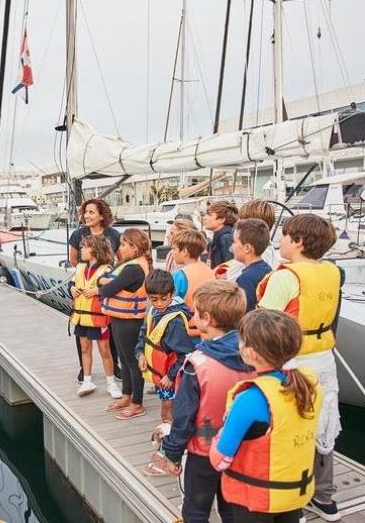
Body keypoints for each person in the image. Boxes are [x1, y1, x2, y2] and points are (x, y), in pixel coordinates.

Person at [256, 214, 343, 521]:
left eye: (284, 236)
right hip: (324, 359)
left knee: (292, 427)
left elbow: (262, 324)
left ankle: (294, 497)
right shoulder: (332, 271)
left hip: (292, 361)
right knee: (323, 424)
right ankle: (325, 496)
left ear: (299, 241)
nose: (280, 241)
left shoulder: (286, 277)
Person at [145, 281, 254, 523]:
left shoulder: (197, 365)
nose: (191, 315)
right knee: (231, 508)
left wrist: (172, 453)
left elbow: (184, 416)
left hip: (203, 451)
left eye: (195, 312)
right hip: (240, 449)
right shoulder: (255, 355)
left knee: (195, 510)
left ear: (206, 318)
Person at [210, 309, 322, 523]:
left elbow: (220, 459)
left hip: (257, 498)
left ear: (252, 353)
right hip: (294, 493)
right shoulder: (309, 383)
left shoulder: (251, 398)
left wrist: (217, 436)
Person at [92, 228, 151, 420]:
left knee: (132, 362)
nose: (121, 247)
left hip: (130, 322)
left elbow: (107, 290)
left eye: (124, 244)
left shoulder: (133, 268)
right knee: (125, 361)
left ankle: (137, 403)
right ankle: (127, 395)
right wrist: (105, 282)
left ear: (134, 247)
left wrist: (102, 281)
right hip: (119, 319)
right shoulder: (130, 265)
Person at [68, 198, 122, 382]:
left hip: (107, 285)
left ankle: (114, 365)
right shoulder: (78, 234)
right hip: (84, 284)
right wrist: (87, 273)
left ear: (102, 215)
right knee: (82, 326)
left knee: (110, 326)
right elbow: (73, 260)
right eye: (85, 212)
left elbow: (121, 260)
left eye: (91, 212)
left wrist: (108, 277)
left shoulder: (114, 234)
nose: (87, 215)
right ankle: (84, 368)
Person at [135, 270, 195, 423]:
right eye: (153, 299)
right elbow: (145, 333)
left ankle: (170, 443)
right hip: (162, 376)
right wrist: (140, 352)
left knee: (168, 415)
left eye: (163, 299)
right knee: (168, 414)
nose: (159, 303)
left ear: (172, 293)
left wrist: (171, 376)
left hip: (170, 378)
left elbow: (186, 353)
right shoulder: (154, 310)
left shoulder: (174, 322)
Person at [216, 200, 280, 279]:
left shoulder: (251, 255)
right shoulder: (268, 249)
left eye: (241, 220)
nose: (237, 222)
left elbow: (233, 281)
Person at [170, 229, 214, 318]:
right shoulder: (209, 271)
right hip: (206, 322)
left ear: (184, 252)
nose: (172, 252)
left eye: (174, 248)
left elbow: (170, 302)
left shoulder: (180, 274)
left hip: (185, 323)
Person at [231, 219, 272, 312]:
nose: (232, 246)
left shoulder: (246, 278)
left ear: (247, 248)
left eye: (234, 242)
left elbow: (243, 311)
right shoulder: (267, 268)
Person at [204, 200, 238, 268]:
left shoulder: (226, 238)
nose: (204, 218)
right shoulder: (218, 238)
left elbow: (230, 268)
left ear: (221, 219)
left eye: (209, 215)